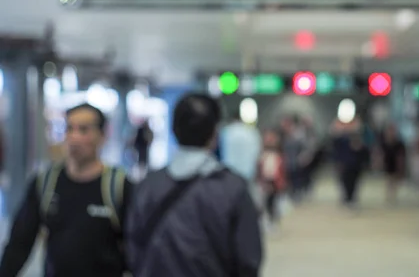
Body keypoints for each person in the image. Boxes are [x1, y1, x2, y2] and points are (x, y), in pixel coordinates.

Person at [126, 93, 262, 277]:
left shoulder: (148, 186)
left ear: (174, 130)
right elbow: (248, 259)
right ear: (214, 133)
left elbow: (132, 249)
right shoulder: (234, 190)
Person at [0, 103, 131, 277]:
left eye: (84, 130)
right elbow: (19, 243)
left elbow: (138, 248)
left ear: (102, 136)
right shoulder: (46, 183)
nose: (74, 138)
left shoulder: (119, 186)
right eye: (69, 129)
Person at [331, 116, 367, 210]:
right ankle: (347, 198)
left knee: (354, 182)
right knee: (344, 181)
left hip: (356, 163)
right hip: (344, 163)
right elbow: (335, 148)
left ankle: (352, 198)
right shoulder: (340, 138)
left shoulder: (359, 136)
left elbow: (363, 149)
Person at [258, 129, 286, 232]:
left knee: (273, 203)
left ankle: (273, 221)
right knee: (265, 203)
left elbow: (281, 170)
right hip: (266, 181)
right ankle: (267, 221)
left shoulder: (278, 156)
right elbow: (260, 170)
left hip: (275, 181)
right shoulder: (263, 155)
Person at [376, 123, 407, 204]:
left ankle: (393, 195)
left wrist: (401, 167)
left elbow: (401, 156)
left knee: (394, 180)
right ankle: (389, 195)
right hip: (387, 163)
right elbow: (380, 153)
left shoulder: (399, 143)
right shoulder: (384, 143)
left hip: (395, 164)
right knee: (388, 179)